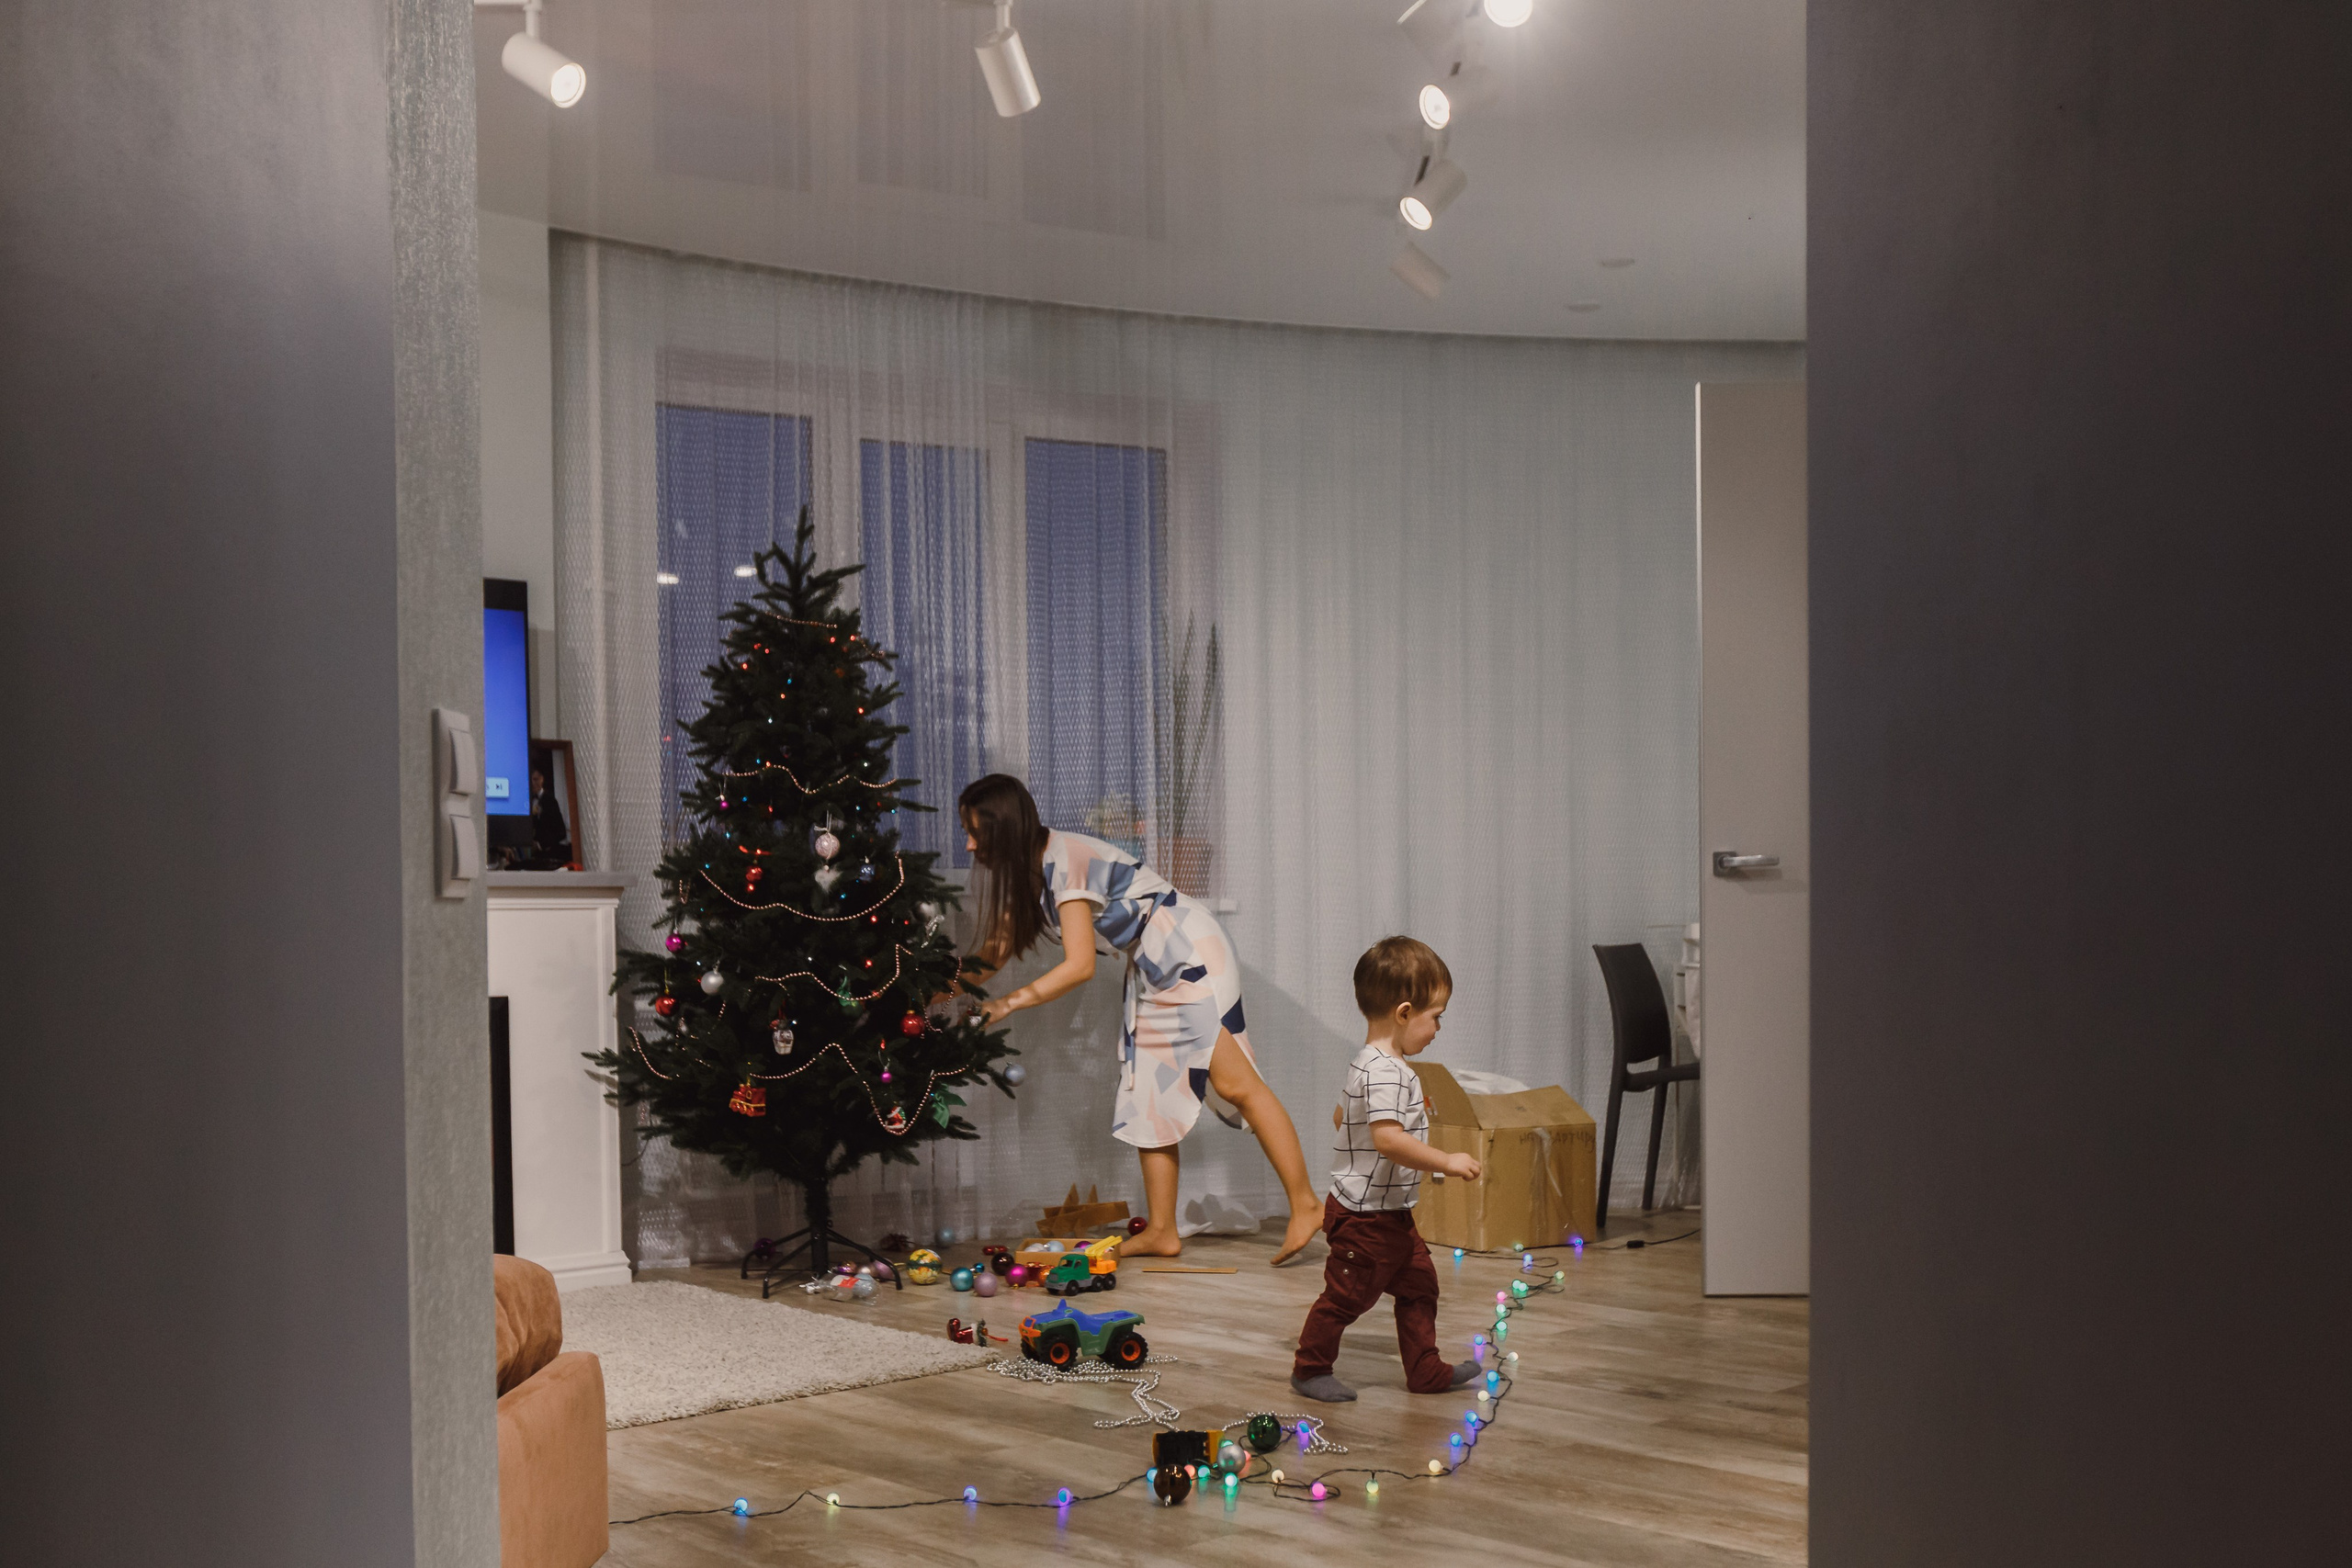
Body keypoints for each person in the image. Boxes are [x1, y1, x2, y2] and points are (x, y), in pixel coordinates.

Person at [953, 773, 1324, 1266]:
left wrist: (1007, 1003)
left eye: (976, 831)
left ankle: (1306, 1204)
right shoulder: (1032, 870)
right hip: (1150, 965)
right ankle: (1163, 1231)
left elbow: (1080, 966)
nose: (969, 844)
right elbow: (995, 950)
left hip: (1186, 950)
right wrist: (936, 990)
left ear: (1005, 829)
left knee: (1236, 1084)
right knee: (1148, 1094)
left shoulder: (1067, 862)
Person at [1289, 936, 1484, 1402]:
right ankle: (1310, 1368)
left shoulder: (1367, 1062)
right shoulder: (1388, 1073)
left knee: (1420, 1287)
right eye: (1434, 1016)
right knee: (1347, 1296)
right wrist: (1447, 1161)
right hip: (1366, 1218)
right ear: (1403, 1013)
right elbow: (1387, 1139)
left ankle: (1425, 1370)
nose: (1437, 1028)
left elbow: (1342, 1118)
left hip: (1389, 1212)